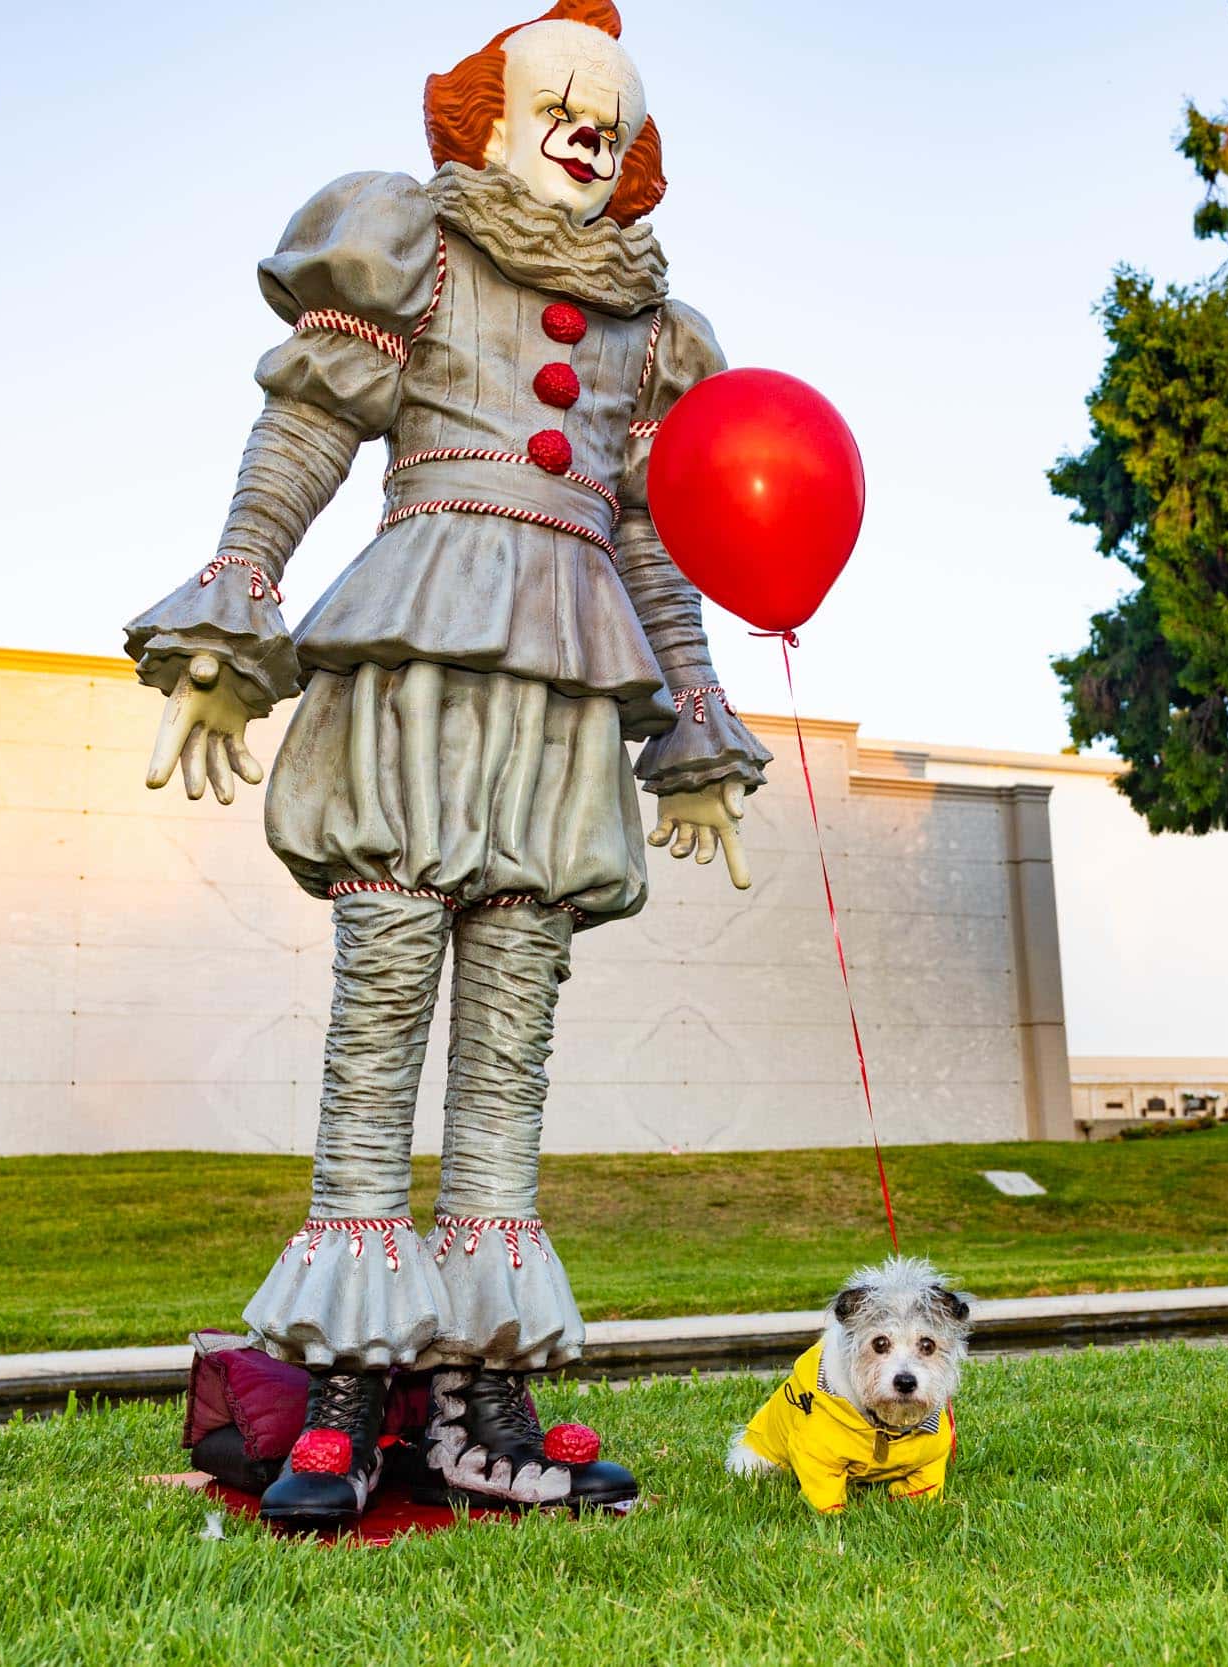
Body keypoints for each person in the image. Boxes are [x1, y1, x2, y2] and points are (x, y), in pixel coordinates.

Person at [121, 0, 766, 1531]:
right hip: (420, 646)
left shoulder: (657, 335)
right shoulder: (411, 249)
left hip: (565, 682)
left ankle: (481, 1404)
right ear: (489, 116)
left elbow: (654, 542)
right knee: (383, 1012)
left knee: (510, 1043)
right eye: (562, 105)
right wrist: (235, 608)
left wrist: (692, 722)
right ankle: (347, 1397)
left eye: (612, 119)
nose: (586, 132)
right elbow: (305, 432)